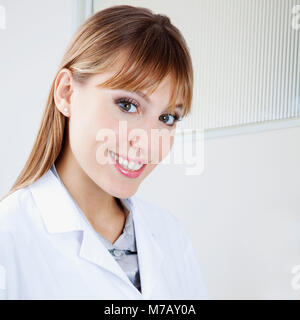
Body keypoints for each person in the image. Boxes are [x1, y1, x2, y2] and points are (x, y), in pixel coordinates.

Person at [0, 5, 209, 300]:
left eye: (167, 118)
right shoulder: (8, 238)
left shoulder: (171, 235)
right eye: (127, 105)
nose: (147, 143)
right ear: (66, 93)